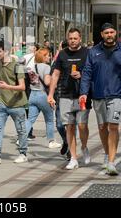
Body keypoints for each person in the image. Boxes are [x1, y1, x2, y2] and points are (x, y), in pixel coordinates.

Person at [79, 23, 121, 176]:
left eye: (112, 32)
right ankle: (107, 153)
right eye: (106, 32)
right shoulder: (94, 52)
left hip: (116, 95)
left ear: (116, 33)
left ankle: (111, 162)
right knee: (102, 127)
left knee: (113, 126)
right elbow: (87, 73)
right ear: (102, 34)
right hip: (98, 95)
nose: (109, 35)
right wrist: (84, 92)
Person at [49, 29, 90, 170]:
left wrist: (81, 74)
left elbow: (93, 71)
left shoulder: (87, 53)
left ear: (80, 38)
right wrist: (50, 94)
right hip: (65, 95)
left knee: (82, 125)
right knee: (69, 127)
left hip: (82, 95)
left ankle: (84, 146)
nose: (73, 41)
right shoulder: (62, 54)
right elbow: (55, 74)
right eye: (70, 38)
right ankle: (73, 157)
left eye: (75, 38)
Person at [0, 41, 28, 165]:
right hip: (2, 102)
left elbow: (22, 87)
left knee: (21, 130)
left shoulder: (17, 66)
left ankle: (23, 153)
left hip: (17, 103)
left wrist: (7, 86)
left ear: (6, 51)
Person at [25, 47, 59, 149]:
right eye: (48, 55)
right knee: (49, 120)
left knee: (30, 119)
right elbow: (48, 82)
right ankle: (51, 141)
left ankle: (21, 138)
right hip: (43, 95)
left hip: (32, 95)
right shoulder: (46, 67)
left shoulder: (31, 67)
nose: (49, 57)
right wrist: (55, 82)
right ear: (43, 57)